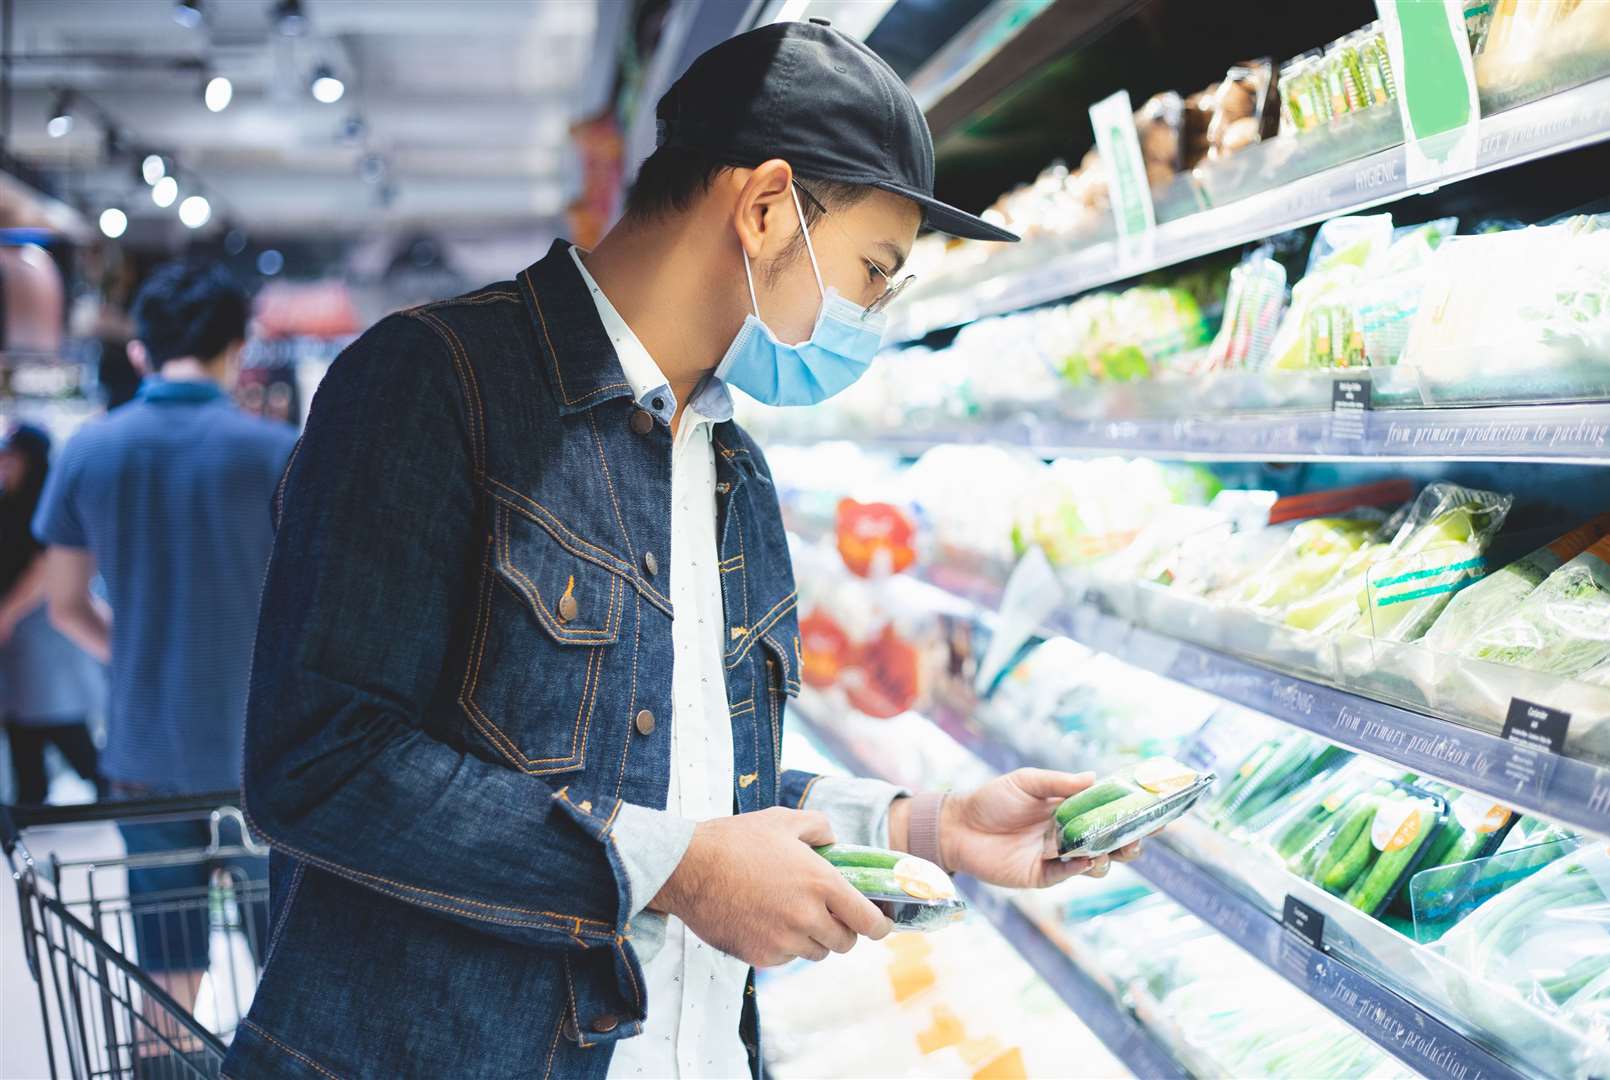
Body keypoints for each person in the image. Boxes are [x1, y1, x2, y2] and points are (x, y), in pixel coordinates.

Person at [227, 21, 1149, 1079]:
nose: (875, 316)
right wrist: (676, 871)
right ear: (763, 210)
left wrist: (929, 826)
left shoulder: (732, 471)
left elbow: (693, 794)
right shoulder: (435, 387)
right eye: (873, 271)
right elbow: (322, 764)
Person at [33, 261, 294, 998]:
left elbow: (65, 606)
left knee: (165, 972)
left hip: (145, 748)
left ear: (141, 350)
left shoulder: (90, 449)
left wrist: (147, 654)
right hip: (260, 757)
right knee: (284, 973)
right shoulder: (277, 454)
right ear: (236, 347)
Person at [0, 423, 105, 804]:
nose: (5, 466)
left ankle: (114, 795)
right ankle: (31, 808)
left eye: (12, 459)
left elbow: (45, 568)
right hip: (21, 643)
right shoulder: (10, 502)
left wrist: (7, 614)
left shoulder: (44, 500)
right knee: (25, 731)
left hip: (43, 634)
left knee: (60, 725)